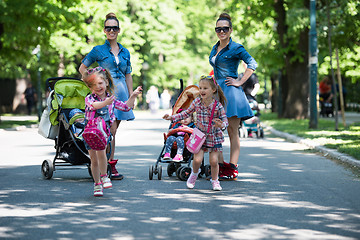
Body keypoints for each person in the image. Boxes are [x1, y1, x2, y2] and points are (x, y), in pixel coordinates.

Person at [79, 12, 134, 180]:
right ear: (104, 30)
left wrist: (132, 96)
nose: (112, 30)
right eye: (108, 28)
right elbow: (82, 69)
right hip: (105, 94)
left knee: (112, 131)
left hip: (122, 92)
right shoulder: (98, 50)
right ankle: (103, 165)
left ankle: (110, 165)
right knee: (108, 129)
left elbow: (128, 75)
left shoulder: (125, 52)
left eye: (114, 28)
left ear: (118, 30)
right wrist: (93, 82)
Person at [209, 13, 258, 180]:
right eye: (218, 29)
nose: (221, 31)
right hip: (216, 91)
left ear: (230, 30)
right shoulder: (215, 48)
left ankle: (232, 168)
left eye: (224, 29)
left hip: (231, 92)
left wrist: (240, 81)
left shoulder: (237, 47)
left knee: (232, 131)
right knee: (215, 129)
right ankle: (220, 166)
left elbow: (252, 64)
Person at [82, 67, 142, 197]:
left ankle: (104, 176)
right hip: (90, 132)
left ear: (106, 83)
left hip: (102, 133)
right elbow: (94, 106)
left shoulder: (111, 100)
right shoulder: (89, 98)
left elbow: (126, 107)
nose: (98, 87)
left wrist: (132, 96)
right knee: (94, 159)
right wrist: (104, 103)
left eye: (100, 83)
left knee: (102, 153)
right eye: (94, 85)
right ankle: (97, 184)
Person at [163, 75, 228, 191]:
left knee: (214, 161)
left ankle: (215, 181)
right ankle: (193, 175)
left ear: (213, 90)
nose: (201, 90)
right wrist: (172, 117)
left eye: (205, 88)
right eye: (200, 88)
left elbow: (225, 121)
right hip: (199, 135)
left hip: (214, 136)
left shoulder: (218, 106)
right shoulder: (197, 102)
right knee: (197, 160)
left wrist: (221, 125)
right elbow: (185, 113)